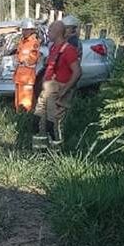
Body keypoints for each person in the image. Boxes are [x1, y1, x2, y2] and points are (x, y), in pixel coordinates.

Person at [33, 21, 82, 150]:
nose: (48, 34)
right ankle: (40, 150)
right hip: (47, 90)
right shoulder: (53, 47)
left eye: (49, 31)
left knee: (54, 123)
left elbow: (77, 72)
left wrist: (65, 90)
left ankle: (56, 152)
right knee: (40, 120)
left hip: (58, 90)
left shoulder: (68, 50)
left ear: (56, 32)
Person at [14, 20, 41, 113]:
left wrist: (24, 61)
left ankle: (25, 119)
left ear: (31, 30)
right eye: (23, 30)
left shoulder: (34, 43)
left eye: (26, 30)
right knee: (18, 100)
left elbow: (34, 57)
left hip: (27, 77)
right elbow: (18, 54)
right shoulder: (22, 41)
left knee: (26, 101)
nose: (24, 32)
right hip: (19, 76)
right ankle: (18, 116)